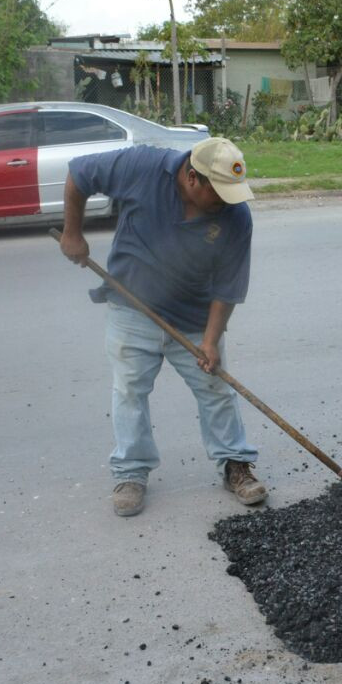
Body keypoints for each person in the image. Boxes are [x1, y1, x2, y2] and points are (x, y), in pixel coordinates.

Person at [59, 137, 267, 518]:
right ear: (192, 178)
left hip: (194, 317)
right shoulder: (140, 166)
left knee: (216, 389)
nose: (227, 201)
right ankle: (131, 473)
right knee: (129, 391)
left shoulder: (235, 216)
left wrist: (210, 341)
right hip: (132, 307)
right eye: (219, 193)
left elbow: (229, 286)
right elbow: (78, 174)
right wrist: (73, 232)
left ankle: (235, 464)